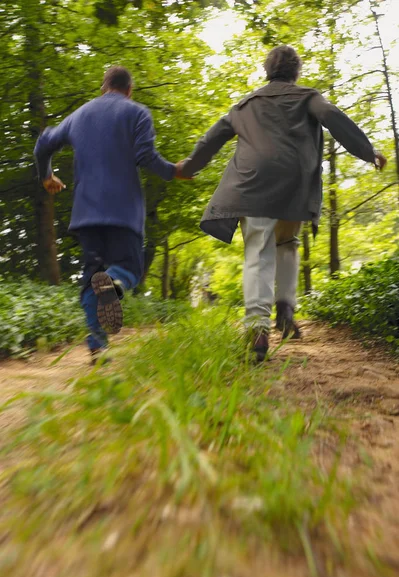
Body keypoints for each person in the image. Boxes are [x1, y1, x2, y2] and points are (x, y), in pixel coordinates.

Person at [179, 45, 387, 361]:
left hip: (253, 184)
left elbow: (213, 137)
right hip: (295, 185)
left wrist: (189, 167)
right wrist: (367, 151)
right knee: (287, 243)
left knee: (258, 251)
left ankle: (258, 328)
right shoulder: (308, 97)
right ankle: (286, 310)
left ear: (267, 71)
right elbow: (331, 116)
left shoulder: (245, 105)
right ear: (296, 72)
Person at [34, 66, 187, 362]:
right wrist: (173, 171)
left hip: (86, 213)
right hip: (123, 211)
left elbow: (43, 144)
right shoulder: (137, 112)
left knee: (92, 275)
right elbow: (145, 156)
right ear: (129, 90)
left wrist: (47, 176)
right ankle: (114, 284)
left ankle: (98, 346)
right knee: (128, 269)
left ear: (103, 87)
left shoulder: (79, 115)